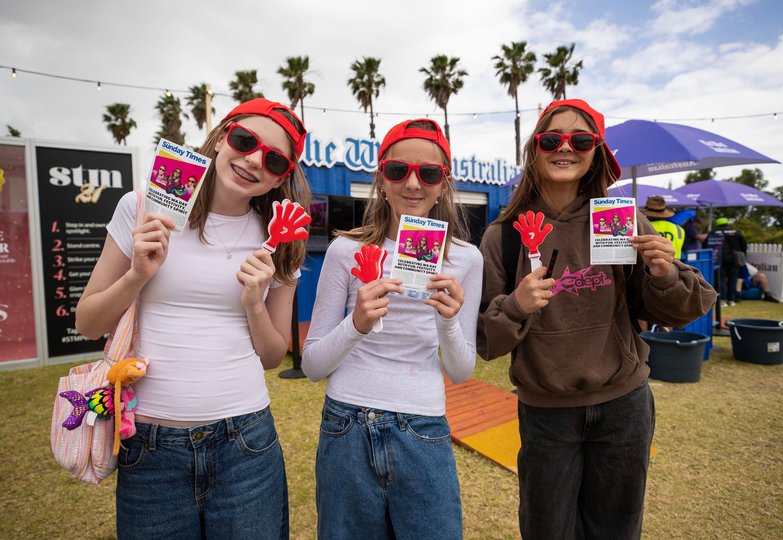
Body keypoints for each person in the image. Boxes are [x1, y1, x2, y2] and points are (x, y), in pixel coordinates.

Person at [476, 98, 715, 539]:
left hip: (623, 405)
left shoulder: (621, 221)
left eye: (580, 139)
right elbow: (486, 342)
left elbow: (679, 311)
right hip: (546, 414)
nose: (565, 148)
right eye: (552, 138)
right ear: (535, 148)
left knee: (616, 531)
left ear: (597, 152)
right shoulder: (504, 236)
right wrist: (517, 305)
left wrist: (664, 272)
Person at [75, 98, 311, 539]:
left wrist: (255, 302)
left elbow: (273, 355)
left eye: (275, 159)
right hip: (149, 446)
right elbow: (87, 322)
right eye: (245, 140)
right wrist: (137, 276)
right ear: (223, 136)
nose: (254, 160)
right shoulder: (142, 207)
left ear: (283, 176)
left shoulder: (281, 237)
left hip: (246, 442)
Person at [302, 118, 482, 539]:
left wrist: (448, 320)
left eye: (429, 173)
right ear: (381, 178)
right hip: (346, 424)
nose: (413, 183)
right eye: (399, 170)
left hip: (424, 426)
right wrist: (357, 324)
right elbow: (311, 365)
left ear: (444, 183)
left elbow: (460, 371)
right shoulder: (346, 250)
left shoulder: (466, 260)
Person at [710, 216, 747, 307]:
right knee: (733, 280)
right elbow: (744, 245)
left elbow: (707, 245)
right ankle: (731, 300)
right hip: (734, 259)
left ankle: (722, 300)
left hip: (719, 259)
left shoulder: (714, 232)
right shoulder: (736, 232)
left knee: (721, 279)